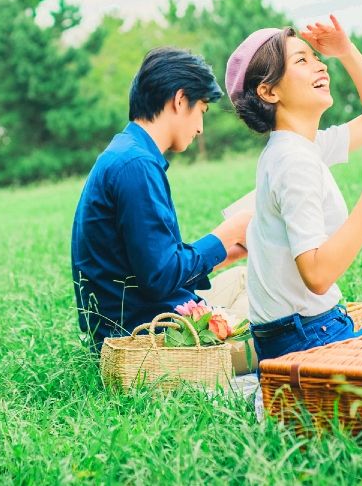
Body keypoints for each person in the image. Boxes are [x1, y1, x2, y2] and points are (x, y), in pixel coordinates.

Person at [224, 16, 362, 362]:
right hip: (305, 337)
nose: (319, 65)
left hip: (302, 331)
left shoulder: (302, 146)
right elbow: (317, 275)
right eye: (301, 60)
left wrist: (345, 50)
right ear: (269, 91)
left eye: (316, 57)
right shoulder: (293, 161)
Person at [71, 47, 252, 350]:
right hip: (145, 338)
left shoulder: (128, 153)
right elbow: (160, 277)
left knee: (245, 280)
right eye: (201, 112)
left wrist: (225, 252)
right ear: (180, 100)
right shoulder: (135, 165)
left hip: (145, 316)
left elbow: (151, 266)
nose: (200, 128)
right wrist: (227, 232)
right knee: (275, 320)